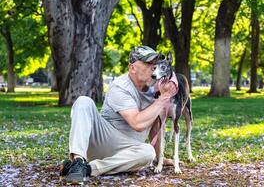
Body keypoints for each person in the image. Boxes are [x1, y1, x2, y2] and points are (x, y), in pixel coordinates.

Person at [60, 45, 177, 185]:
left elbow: (155, 127)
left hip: (128, 150)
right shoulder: (120, 86)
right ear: (132, 68)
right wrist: (163, 99)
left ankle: (87, 169)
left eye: (155, 63)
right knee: (83, 102)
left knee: (148, 153)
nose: (153, 66)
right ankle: (78, 160)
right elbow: (137, 123)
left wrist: (160, 158)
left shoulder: (157, 89)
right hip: (103, 139)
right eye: (148, 63)